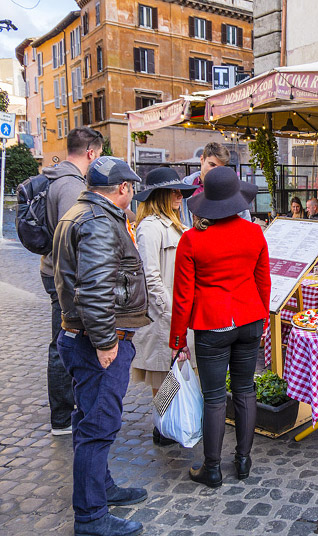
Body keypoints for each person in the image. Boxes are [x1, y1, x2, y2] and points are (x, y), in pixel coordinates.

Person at [53, 156, 150, 536]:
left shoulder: (80, 213)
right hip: (97, 340)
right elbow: (93, 288)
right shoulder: (98, 221)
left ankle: (102, 488)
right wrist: (106, 341)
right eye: (132, 189)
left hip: (80, 335)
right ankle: (91, 517)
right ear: (123, 189)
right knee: (98, 425)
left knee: (89, 419)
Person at [170, 166, 271, 488]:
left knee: (214, 398)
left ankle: (212, 468)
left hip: (211, 325)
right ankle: (244, 461)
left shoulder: (191, 240)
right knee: (245, 391)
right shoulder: (254, 233)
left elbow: (183, 295)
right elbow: (263, 282)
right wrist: (263, 319)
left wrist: (177, 338)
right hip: (250, 319)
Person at [39, 127, 103, 436]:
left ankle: (67, 411)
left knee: (65, 340)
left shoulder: (56, 177)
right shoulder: (70, 186)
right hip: (63, 277)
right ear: (91, 152)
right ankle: (63, 417)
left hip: (52, 271)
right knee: (63, 343)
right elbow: (72, 239)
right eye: (99, 154)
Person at [131, 168, 199, 446]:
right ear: (159, 195)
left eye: (179, 192)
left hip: (178, 314)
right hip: (163, 318)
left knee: (177, 373)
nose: (179, 196)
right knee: (164, 375)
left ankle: (169, 423)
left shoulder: (175, 225)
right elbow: (151, 277)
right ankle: (163, 426)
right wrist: (173, 315)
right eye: (173, 191)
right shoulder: (149, 227)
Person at [180, 142, 251, 225]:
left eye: (220, 167)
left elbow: (245, 219)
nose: (215, 171)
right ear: (202, 160)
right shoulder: (185, 187)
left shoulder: (230, 188)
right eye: (212, 165)